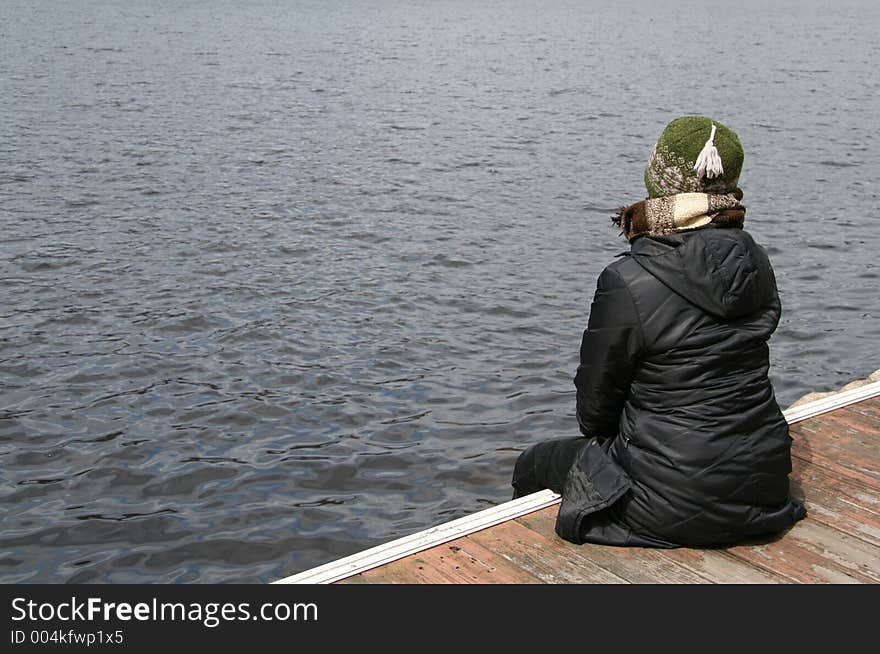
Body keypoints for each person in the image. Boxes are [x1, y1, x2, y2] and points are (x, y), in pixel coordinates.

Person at [511, 116, 806, 547]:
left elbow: (594, 413)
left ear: (661, 181)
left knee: (534, 464)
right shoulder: (756, 261)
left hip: (670, 503)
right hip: (764, 488)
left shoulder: (628, 279)